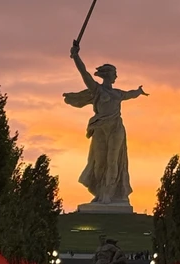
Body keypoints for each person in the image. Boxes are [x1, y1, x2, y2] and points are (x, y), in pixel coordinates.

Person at [63, 43, 148, 206]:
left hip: (116, 128)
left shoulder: (117, 93)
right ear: (108, 75)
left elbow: (130, 94)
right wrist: (76, 56)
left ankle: (108, 194)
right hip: (100, 128)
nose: (116, 76)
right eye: (115, 74)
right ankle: (100, 192)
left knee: (113, 161)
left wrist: (139, 91)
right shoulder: (97, 90)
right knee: (99, 163)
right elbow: (84, 74)